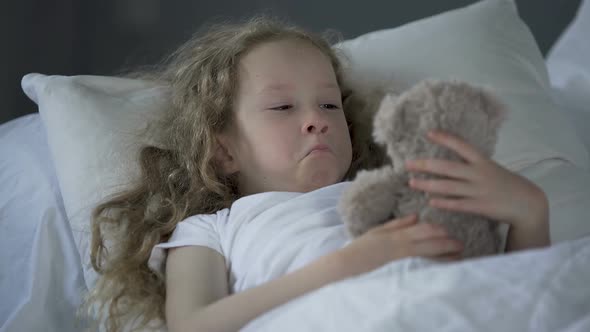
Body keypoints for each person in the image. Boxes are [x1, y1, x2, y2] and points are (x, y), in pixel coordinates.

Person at [84, 15, 550, 332]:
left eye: (328, 103)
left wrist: (530, 214)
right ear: (223, 149)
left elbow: (511, 294)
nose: (318, 119)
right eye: (283, 106)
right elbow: (194, 325)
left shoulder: (393, 194)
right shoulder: (210, 230)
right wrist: (350, 263)